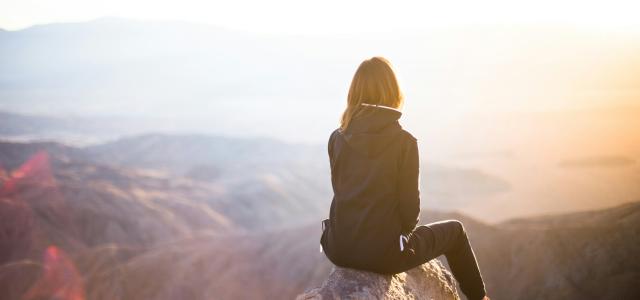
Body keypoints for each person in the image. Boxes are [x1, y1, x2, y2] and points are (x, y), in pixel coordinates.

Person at [319, 56, 489, 300]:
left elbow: (342, 192)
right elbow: (411, 211)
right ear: (393, 91)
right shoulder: (404, 142)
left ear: (354, 92)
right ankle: (479, 297)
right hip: (385, 255)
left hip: (338, 248)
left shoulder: (337, 137)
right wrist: (397, 239)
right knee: (456, 231)